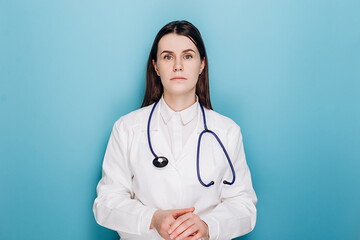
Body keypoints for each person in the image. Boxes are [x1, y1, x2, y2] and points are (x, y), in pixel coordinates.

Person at [93, 20, 257, 240]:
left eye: (188, 56)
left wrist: (209, 226)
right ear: (156, 66)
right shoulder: (127, 128)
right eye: (168, 57)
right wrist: (153, 218)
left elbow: (244, 206)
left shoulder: (227, 132)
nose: (178, 65)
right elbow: (106, 204)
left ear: (202, 64)